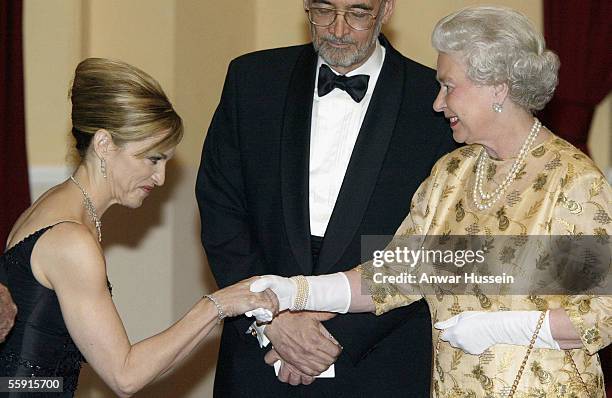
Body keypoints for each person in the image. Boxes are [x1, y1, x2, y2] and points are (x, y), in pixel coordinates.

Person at [252, 5, 612, 397]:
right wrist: (300, 291)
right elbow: (396, 275)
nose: (438, 103)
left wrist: (501, 327)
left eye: (449, 86)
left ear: (498, 87)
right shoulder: (452, 173)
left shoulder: (572, 180)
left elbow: (602, 316)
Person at [196, 0, 456, 395]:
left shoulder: (434, 101)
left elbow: (438, 242)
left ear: (386, 9)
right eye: (323, 10)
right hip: (257, 351)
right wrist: (272, 320)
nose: (337, 28)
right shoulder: (252, 79)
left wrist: (333, 338)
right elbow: (220, 208)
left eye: (357, 12)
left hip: (379, 358)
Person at [0, 58, 278, 398]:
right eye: (152, 159)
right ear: (104, 144)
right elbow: (125, 375)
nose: (160, 178)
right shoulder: (71, 239)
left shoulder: (52, 205)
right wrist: (216, 305)